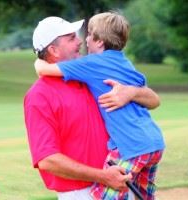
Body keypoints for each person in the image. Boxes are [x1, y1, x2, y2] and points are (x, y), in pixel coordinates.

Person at [25, 16, 160, 200]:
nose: (80, 41)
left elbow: (153, 100)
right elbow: (47, 160)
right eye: (72, 38)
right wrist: (103, 176)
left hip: (118, 182)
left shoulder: (91, 75)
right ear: (54, 50)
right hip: (82, 193)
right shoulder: (39, 95)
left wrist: (131, 93)